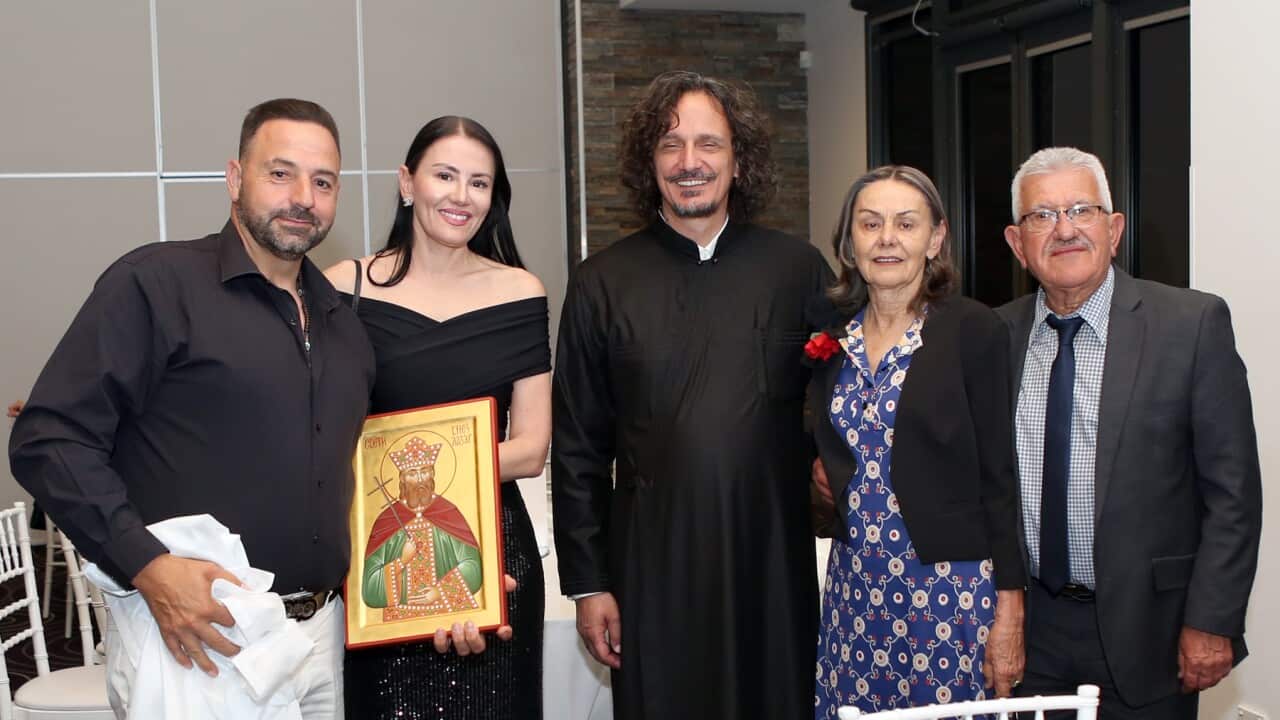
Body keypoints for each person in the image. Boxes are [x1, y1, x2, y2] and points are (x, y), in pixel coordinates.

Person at [8, 98, 374, 719]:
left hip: (321, 641)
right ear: (235, 178)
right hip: (197, 639)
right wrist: (148, 566)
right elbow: (48, 439)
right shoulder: (156, 284)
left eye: (323, 182)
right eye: (280, 173)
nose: (302, 198)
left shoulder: (345, 326)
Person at [551, 70, 831, 719]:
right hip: (652, 567)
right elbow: (577, 448)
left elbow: (842, 406)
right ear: (649, 162)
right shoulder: (601, 283)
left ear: (739, 159)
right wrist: (589, 584)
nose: (689, 162)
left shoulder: (798, 271)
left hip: (771, 561)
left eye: (709, 143)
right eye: (670, 144)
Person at [998, 146, 1262, 718]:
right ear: (1018, 244)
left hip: (1153, 632)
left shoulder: (1191, 326)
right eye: (1042, 216)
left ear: (1114, 230)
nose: (1064, 229)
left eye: (1081, 210)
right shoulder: (994, 337)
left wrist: (1212, 619)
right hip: (1030, 632)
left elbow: (1233, 494)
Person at [323, 115, 550, 719]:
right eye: (445, 176)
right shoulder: (345, 289)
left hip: (491, 550)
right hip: (381, 551)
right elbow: (319, 433)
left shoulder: (520, 291)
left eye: (479, 183)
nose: (461, 196)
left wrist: (422, 480)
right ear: (407, 182)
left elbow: (531, 448)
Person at [807, 166, 1026, 716]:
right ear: (849, 242)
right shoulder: (834, 337)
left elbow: (1001, 477)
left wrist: (1010, 609)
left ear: (935, 238)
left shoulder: (973, 330)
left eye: (906, 224)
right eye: (870, 224)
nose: (887, 239)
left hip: (949, 592)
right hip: (856, 586)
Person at [361, 436, 482, 615]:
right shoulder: (387, 521)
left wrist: (439, 591)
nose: (419, 479)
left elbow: (473, 567)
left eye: (424, 471)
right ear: (402, 479)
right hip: (401, 619)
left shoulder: (448, 513)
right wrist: (401, 562)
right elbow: (369, 589)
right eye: (412, 473)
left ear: (432, 474)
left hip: (449, 612)